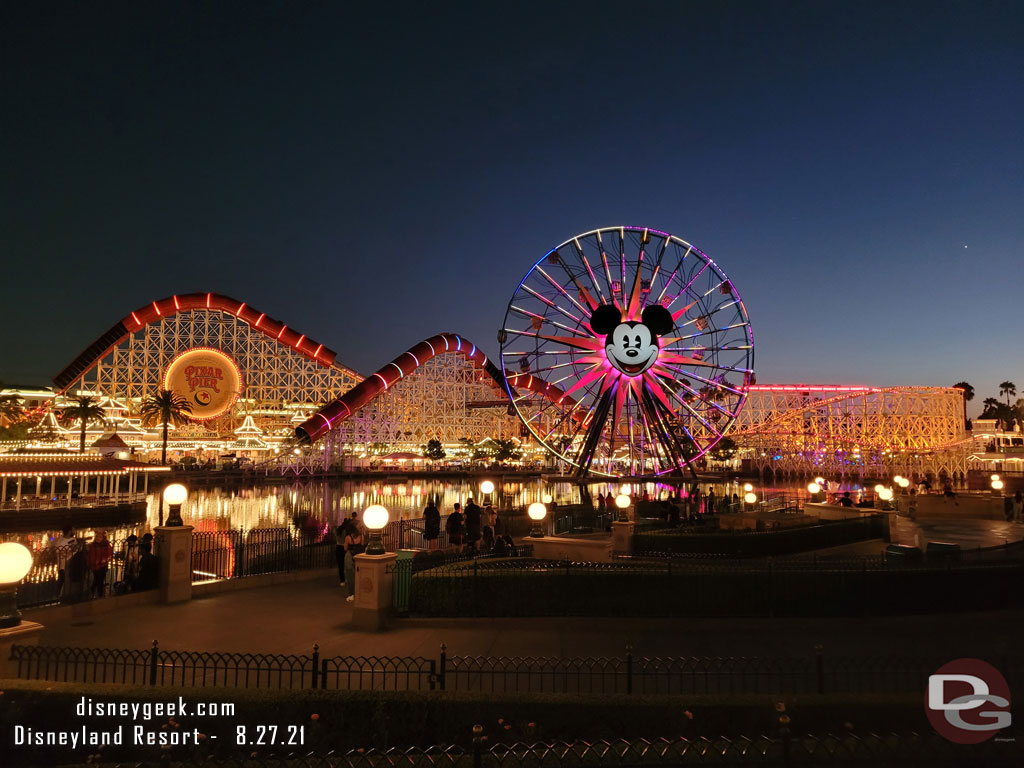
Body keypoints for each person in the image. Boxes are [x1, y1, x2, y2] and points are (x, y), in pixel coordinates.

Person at [344, 519, 365, 603]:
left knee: (350, 575)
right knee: (359, 574)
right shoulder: (361, 536)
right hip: (359, 556)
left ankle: (351, 594)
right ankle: (360, 592)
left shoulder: (348, 537)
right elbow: (362, 546)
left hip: (350, 555)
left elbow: (345, 548)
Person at [86, 530, 112, 598]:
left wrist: (100, 561)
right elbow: (89, 555)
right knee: (97, 579)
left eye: (100, 537)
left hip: (102, 566)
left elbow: (108, 555)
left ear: (103, 538)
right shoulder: (92, 545)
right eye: (97, 536)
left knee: (99, 580)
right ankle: (96, 593)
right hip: (94, 566)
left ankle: (98, 593)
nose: (98, 538)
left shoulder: (106, 545)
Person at [52, 525, 75, 594]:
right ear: (69, 532)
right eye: (73, 530)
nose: (74, 531)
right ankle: (61, 595)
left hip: (66, 565)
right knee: (63, 581)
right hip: (65, 566)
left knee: (64, 581)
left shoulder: (61, 540)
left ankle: (62, 595)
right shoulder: (63, 542)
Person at [334, 522, 348, 586]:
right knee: (346, 564)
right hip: (344, 548)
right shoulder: (345, 531)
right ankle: (346, 578)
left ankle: (342, 580)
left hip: (338, 547)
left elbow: (333, 530)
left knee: (340, 565)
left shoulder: (337, 531)